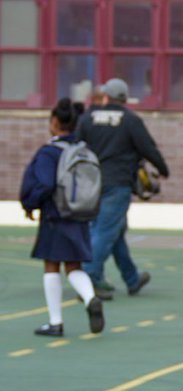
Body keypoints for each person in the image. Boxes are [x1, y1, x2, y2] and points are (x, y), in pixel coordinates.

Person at [20, 98, 105, 337]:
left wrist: (31, 203)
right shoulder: (82, 150)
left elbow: (45, 183)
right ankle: (90, 299)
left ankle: (55, 322)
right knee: (74, 265)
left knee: (51, 266)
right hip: (78, 213)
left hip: (55, 215)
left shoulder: (49, 152)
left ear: (55, 122)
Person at [77, 78, 169, 300]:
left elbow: (77, 146)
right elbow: (148, 148)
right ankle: (89, 279)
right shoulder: (130, 120)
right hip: (117, 184)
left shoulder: (87, 118)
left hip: (92, 184)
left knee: (114, 231)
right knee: (105, 231)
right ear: (125, 99)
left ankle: (132, 278)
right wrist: (162, 169)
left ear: (106, 96)